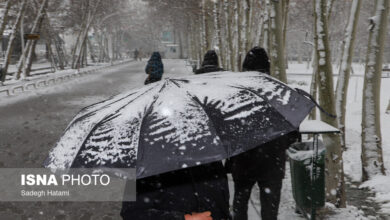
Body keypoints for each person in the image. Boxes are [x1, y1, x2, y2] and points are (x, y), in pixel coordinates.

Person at [229, 47, 299, 220]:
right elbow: (293, 133)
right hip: (272, 163)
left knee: (240, 205)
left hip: (243, 161)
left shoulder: (236, 95)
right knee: (270, 210)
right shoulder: (280, 93)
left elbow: (228, 130)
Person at [121, 162, 231, 220]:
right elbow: (131, 213)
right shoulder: (142, 165)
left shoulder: (211, 156)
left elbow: (222, 199)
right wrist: (185, 219)